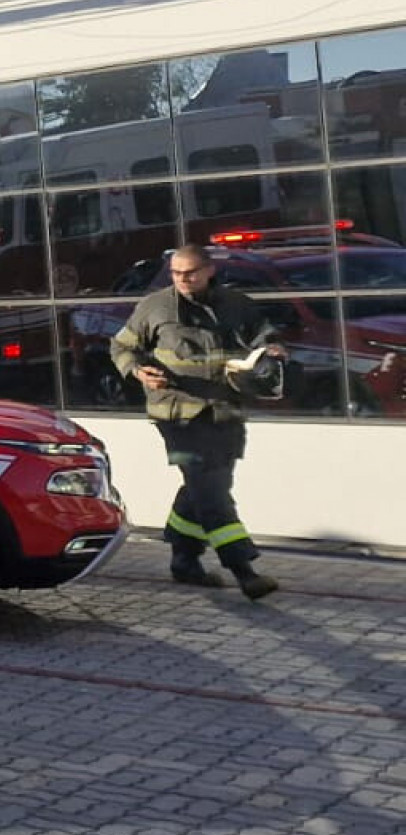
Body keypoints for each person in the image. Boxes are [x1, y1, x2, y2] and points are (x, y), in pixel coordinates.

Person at [110, 243, 283, 599]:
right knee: (211, 492)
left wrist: (273, 349)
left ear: (209, 271)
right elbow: (122, 347)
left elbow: (265, 336)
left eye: (189, 273)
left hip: (224, 410)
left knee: (203, 488)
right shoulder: (155, 306)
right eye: (176, 273)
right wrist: (138, 371)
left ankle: (184, 559)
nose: (182, 279)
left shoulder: (236, 304)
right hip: (177, 416)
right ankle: (243, 569)